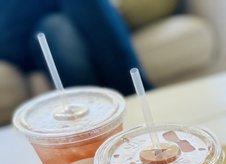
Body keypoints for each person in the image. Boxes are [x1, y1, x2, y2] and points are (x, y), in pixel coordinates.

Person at [0, 0, 150, 96]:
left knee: (59, 27)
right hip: (16, 39)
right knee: (58, 28)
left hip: (64, 22)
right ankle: (135, 92)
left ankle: (99, 111)